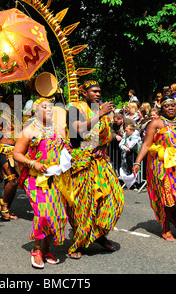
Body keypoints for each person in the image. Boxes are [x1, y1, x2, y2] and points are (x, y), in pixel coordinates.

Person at [133, 95, 176, 241]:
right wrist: (137, 162)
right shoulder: (156, 123)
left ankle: (175, 220)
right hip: (163, 167)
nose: (170, 108)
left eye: (172, 105)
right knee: (167, 198)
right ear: (161, 108)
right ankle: (165, 227)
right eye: (167, 106)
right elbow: (146, 144)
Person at [67, 80, 124, 258]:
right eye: (94, 91)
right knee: (84, 205)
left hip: (100, 163)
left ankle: (98, 234)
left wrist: (103, 146)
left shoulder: (103, 112)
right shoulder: (74, 108)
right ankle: (79, 243)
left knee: (114, 199)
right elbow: (77, 130)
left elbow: (105, 136)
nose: (98, 94)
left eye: (99, 91)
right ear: (84, 93)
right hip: (80, 162)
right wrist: (100, 113)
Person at [14, 98, 70, 269]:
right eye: (44, 107)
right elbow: (17, 154)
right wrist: (33, 164)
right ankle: (36, 250)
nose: (49, 109)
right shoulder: (29, 131)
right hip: (35, 179)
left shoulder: (60, 130)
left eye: (51, 107)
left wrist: (66, 156)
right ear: (35, 112)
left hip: (56, 179)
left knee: (58, 215)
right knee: (43, 214)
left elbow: (65, 149)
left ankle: (47, 250)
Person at [0, 93, 20, 221]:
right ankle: (4, 206)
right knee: (13, 179)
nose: (15, 102)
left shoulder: (18, 117)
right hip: (4, 152)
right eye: (12, 99)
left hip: (16, 152)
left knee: (12, 182)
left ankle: (7, 209)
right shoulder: (0, 118)